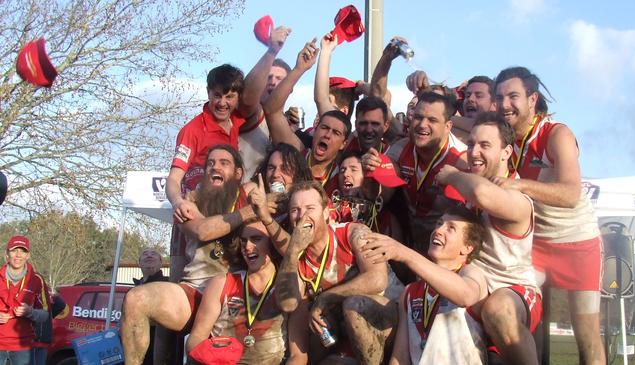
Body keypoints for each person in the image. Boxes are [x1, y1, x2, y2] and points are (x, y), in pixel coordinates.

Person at [491, 66, 605, 364]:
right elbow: (456, 122)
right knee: (523, 324)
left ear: (532, 99)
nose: (505, 104)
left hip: (578, 242)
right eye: (499, 97)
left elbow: (570, 194)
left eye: (513, 96)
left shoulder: (557, 133)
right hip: (536, 247)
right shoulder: (503, 136)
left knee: (587, 337)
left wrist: (519, 185)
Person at [166, 25, 291, 282]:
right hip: (194, 210)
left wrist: (271, 51)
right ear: (208, 93)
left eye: (229, 96)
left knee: (225, 271)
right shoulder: (193, 129)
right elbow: (174, 177)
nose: (222, 103)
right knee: (181, 278)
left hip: (227, 209)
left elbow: (255, 94)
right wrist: (178, 202)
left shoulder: (236, 119)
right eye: (217, 95)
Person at [122, 145, 258, 365]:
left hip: (237, 297)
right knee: (135, 299)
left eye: (224, 163)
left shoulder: (248, 193)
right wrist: (246, 213)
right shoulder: (189, 201)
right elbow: (204, 231)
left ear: (238, 173)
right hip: (193, 293)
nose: (216, 167)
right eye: (211, 163)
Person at [436, 113, 542, 364]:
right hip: (472, 286)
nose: (474, 152)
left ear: (506, 152)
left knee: (498, 310)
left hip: (511, 290)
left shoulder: (517, 196)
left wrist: (451, 175)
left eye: (485, 146)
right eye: (471, 144)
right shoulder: (469, 188)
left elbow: (484, 195)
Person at [275, 181, 390, 364]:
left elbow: (378, 279)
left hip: (383, 323)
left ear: (326, 213)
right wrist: (292, 251)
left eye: (310, 208)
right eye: (295, 210)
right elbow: (288, 304)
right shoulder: (296, 256)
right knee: (306, 308)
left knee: (353, 305)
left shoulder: (353, 232)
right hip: (339, 335)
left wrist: (326, 297)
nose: (302, 216)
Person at [361, 207, 490, 365]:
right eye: (439, 223)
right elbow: (400, 356)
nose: (438, 230)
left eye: (451, 228)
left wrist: (404, 253)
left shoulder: (471, 274)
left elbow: (466, 296)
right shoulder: (409, 292)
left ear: (467, 248)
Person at [362, 91, 468, 259]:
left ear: (448, 127)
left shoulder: (461, 160)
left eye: (432, 120)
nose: (422, 125)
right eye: (418, 117)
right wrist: (370, 172)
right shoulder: (399, 149)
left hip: (445, 246)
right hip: (409, 238)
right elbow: (378, 197)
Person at [187, 221, 286, 364]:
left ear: (274, 243)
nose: (247, 246)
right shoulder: (221, 282)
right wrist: (213, 359)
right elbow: (195, 340)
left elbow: (298, 355)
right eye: (244, 241)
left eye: (256, 239)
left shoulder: (288, 287)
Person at [263, 40, 352, 196]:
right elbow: (272, 111)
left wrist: (326, 52)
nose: (327, 134)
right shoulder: (297, 153)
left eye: (336, 133)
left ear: (344, 144)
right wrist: (299, 69)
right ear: (315, 129)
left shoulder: (344, 169)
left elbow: (322, 99)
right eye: (324, 128)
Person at [0, 236, 49, 365]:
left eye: (22, 251)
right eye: (14, 250)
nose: (18, 255)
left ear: (28, 255)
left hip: (23, 346)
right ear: (7, 254)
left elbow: (45, 315)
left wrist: (30, 312)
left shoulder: (37, 280)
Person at [132, 248, 168, 365]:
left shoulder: (168, 285)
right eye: (145, 254)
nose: (149, 255)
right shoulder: (133, 290)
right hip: (137, 347)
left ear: (160, 263)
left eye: (153, 254)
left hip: (160, 344)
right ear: (139, 264)